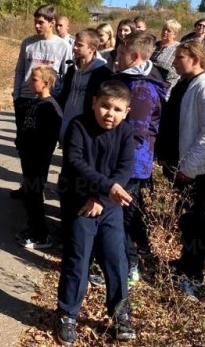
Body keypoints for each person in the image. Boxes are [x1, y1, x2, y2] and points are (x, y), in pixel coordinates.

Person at [56, 81, 137, 345]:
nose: (109, 113)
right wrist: (103, 190)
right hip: (78, 201)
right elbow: (75, 163)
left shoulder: (126, 132)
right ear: (94, 103)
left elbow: (125, 169)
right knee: (77, 259)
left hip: (109, 206)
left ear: (126, 112)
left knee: (116, 259)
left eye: (117, 109)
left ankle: (120, 313)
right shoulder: (78, 126)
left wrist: (102, 197)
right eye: (104, 106)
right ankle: (67, 314)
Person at [155, 42, 205, 299]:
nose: (174, 61)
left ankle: (194, 271)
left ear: (195, 59)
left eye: (180, 57)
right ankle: (185, 259)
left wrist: (189, 167)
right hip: (180, 161)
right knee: (184, 215)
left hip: (194, 166)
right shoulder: (186, 82)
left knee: (194, 217)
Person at [112, 31, 168, 285]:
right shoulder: (130, 81)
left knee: (122, 217)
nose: (117, 58)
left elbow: (135, 133)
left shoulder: (143, 88)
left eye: (121, 54)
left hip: (131, 164)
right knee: (128, 214)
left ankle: (129, 265)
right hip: (126, 161)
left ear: (134, 56)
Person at [11, 4, 72, 199]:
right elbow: (20, 69)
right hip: (25, 100)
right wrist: (16, 95)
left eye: (41, 22)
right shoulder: (28, 42)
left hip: (46, 103)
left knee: (43, 150)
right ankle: (27, 184)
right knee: (24, 146)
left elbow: (65, 74)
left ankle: (38, 186)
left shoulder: (63, 46)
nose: (37, 26)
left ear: (52, 23)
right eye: (35, 22)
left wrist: (56, 99)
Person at [15, 66, 63, 249]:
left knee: (34, 196)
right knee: (29, 195)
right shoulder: (35, 102)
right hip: (28, 158)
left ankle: (41, 235)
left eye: (34, 80)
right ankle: (33, 227)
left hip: (37, 161)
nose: (28, 82)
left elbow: (47, 141)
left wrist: (35, 156)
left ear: (46, 83)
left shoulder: (51, 108)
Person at [56, 28, 111, 142]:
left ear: (92, 48)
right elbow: (65, 94)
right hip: (66, 123)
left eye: (79, 45)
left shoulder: (102, 73)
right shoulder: (72, 70)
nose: (75, 47)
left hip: (86, 129)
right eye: (75, 43)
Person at [151, 19, 182, 97]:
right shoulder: (153, 45)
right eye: (164, 29)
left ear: (175, 34)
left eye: (168, 31)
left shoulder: (178, 48)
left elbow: (177, 70)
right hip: (150, 82)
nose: (165, 32)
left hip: (167, 86)